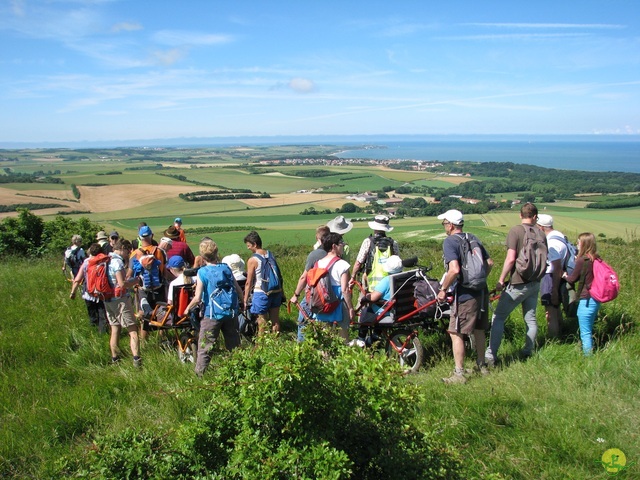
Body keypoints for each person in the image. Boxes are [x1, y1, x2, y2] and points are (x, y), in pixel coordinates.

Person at [485, 203, 547, 366]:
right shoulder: (541, 233)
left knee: (498, 317)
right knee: (531, 319)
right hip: (535, 282)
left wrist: (501, 279)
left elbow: (511, 258)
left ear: (520, 215)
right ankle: (528, 351)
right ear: (535, 216)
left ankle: (491, 355)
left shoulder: (515, 231)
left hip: (518, 283)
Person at [436, 210, 493, 384]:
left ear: (451, 225)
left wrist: (443, 289)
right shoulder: (473, 237)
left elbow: (454, 269)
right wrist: (480, 279)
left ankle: (459, 374)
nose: (444, 226)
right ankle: (482, 365)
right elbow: (489, 263)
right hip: (482, 290)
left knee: (456, 332)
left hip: (464, 294)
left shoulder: (450, 242)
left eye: (444, 223)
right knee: (479, 329)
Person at [184, 239, 242, 377]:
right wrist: (241, 302)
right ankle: (239, 372)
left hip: (212, 314)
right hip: (230, 312)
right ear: (217, 253)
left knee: (205, 347)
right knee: (234, 345)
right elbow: (237, 288)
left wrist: (187, 309)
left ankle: (200, 375)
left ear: (202, 257)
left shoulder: (202, 272)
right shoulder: (226, 268)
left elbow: (198, 297)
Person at [293, 232, 354, 340]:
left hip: (322, 301)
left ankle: (325, 356)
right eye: (341, 243)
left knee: (325, 336)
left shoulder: (318, 263)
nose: (343, 245)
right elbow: (344, 290)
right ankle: (343, 354)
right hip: (338, 301)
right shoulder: (342, 264)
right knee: (343, 334)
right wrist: (350, 308)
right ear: (334, 246)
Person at [104, 239, 142, 367]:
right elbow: (122, 284)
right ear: (122, 248)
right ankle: (137, 359)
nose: (128, 254)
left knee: (115, 329)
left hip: (107, 299)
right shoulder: (117, 262)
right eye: (128, 251)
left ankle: (115, 359)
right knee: (132, 329)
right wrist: (136, 281)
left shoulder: (105, 259)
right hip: (120, 300)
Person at [353, 254, 404, 346]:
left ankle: (361, 339)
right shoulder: (404, 278)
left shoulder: (387, 280)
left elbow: (373, 297)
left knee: (366, 311)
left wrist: (366, 297)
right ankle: (375, 336)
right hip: (401, 308)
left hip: (387, 311)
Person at [290, 225, 330, 341]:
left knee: (303, 320)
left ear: (318, 238)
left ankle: (302, 348)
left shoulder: (315, 255)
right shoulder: (335, 253)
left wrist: (296, 295)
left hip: (314, 294)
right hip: (331, 295)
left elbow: (304, 277)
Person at [564, 233, 602, 356]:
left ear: (584, 244)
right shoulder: (596, 258)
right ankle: (589, 353)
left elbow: (572, 279)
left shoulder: (582, 260)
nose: (577, 244)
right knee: (589, 328)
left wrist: (564, 275)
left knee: (585, 332)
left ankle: (588, 358)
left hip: (586, 298)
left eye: (579, 242)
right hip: (596, 298)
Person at [128, 225, 167, 340]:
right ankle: (163, 340)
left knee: (145, 316)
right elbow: (164, 272)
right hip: (158, 288)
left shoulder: (135, 254)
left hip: (143, 290)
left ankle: (144, 342)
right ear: (152, 236)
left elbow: (130, 273)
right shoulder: (160, 252)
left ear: (139, 238)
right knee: (161, 314)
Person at [244, 231, 284, 334]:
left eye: (249, 245)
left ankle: (261, 346)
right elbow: (278, 275)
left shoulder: (253, 260)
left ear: (255, 244)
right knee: (275, 320)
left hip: (261, 293)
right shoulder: (270, 255)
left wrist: (245, 299)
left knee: (262, 321)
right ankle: (276, 343)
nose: (248, 248)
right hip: (276, 291)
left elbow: (249, 282)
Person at [536, 214, 568, 338]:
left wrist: (553, 290)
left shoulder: (551, 242)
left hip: (551, 277)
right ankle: (562, 332)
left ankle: (553, 339)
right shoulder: (560, 236)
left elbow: (555, 267)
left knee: (550, 313)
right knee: (556, 309)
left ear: (542, 227)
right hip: (560, 276)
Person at [350, 214, 399, 291]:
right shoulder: (393, 243)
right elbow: (397, 262)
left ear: (374, 228)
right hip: (389, 278)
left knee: (363, 300)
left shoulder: (368, 241)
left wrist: (353, 277)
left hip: (369, 277)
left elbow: (359, 262)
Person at [69, 243, 108, 333]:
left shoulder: (87, 262)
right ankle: (103, 334)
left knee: (92, 315)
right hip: (101, 293)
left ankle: (93, 332)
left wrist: (73, 293)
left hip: (88, 293)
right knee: (102, 315)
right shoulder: (105, 261)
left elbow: (77, 279)